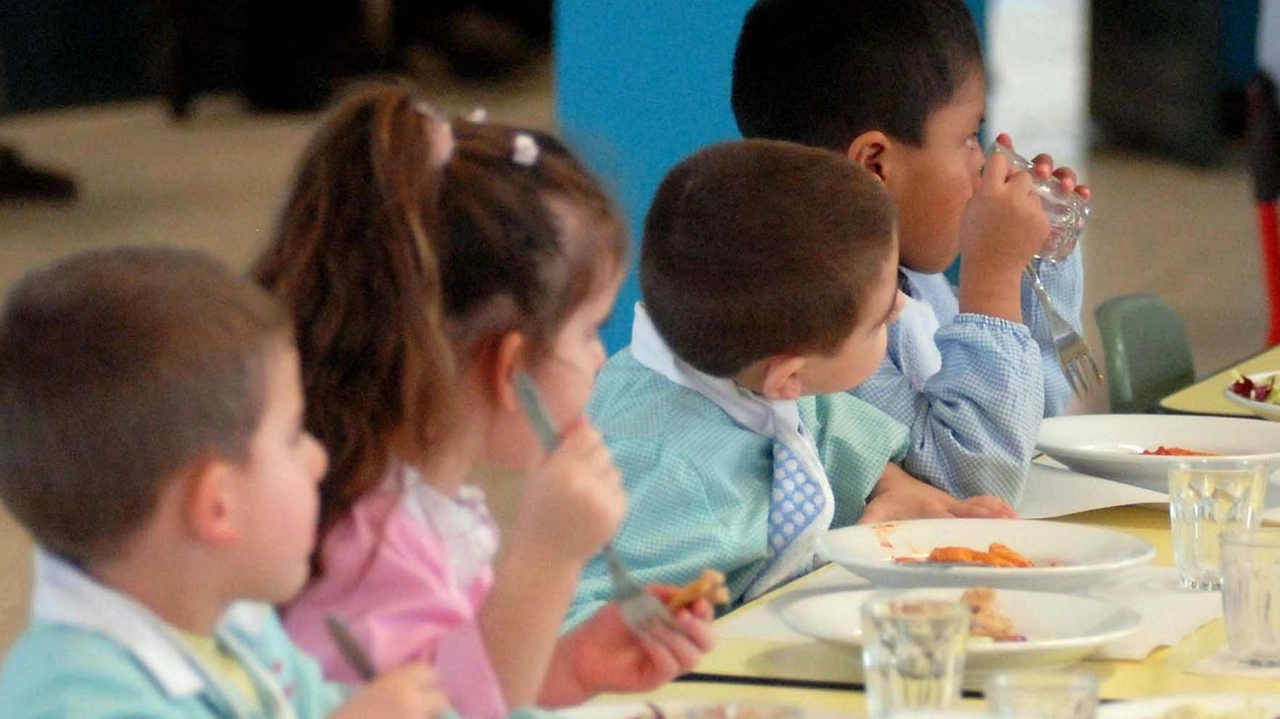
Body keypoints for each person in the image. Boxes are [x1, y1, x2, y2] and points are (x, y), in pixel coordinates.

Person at [254, 83, 714, 719]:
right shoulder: (371, 550)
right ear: (507, 366)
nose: (598, 360)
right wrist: (549, 557)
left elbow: (452, 678)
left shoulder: (403, 506)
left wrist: (565, 666)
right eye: (587, 332)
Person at [566, 140, 1016, 627]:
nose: (901, 309)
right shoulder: (673, 482)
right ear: (790, 376)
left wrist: (896, 486)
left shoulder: (733, 366)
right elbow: (572, 623)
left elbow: (823, 424)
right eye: (882, 317)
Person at [0, 247, 444, 718]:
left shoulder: (226, 616)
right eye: (293, 435)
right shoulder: (73, 704)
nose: (318, 458)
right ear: (218, 505)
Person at [730, 0, 1091, 502]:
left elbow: (1032, 425)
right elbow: (976, 485)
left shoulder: (913, 283)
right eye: (968, 138)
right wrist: (990, 286)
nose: (983, 164)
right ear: (874, 165)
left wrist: (1038, 260)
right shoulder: (822, 331)